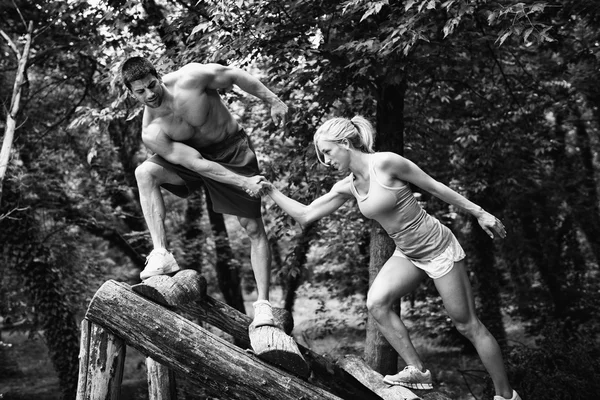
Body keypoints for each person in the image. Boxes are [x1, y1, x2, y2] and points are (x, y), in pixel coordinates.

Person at [259, 116, 521, 400]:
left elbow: (434, 186)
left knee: (466, 325)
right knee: (377, 303)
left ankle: (506, 395)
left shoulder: (385, 163)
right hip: (407, 253)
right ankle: (418, 370)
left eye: (328, 152)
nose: (326, 160)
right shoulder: (348, 186)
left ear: (345, 144)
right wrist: (271, 190)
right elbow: (306, 215)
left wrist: (479, 212)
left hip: (437, 247)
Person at [120, 56, 288, 328]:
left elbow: (234, 75)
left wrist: (273, 101)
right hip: (197, 161)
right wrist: (242, 182)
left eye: (152, 85)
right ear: (130, 93)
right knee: (145, 172)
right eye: (140, 91)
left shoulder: (191, 78)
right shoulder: (152, 130)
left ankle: (263, 306)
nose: (149, 94)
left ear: (158, 75)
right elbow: (197, 163)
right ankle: (161, 252)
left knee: (253, 229)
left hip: (232, 151)